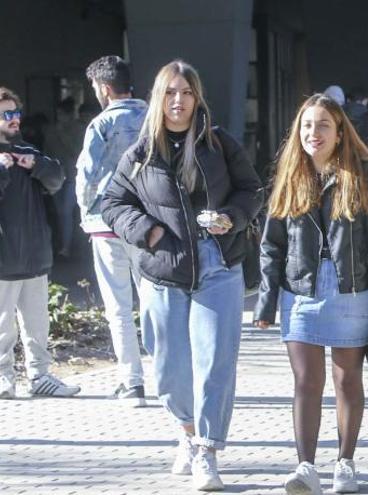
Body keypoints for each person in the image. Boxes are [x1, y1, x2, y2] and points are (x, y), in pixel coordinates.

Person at [101, 60, 263, 491]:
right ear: (159, 98)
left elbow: (252, 190)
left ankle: (207, 450)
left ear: (197, 97)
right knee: (169, 364)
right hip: (163, 268)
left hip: (217, 264)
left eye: (187, 92)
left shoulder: (219, 142)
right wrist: (146, 230)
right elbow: (112, 203)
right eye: (171, 92)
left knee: (214, 361)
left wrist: (232, 217)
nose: (179, 100)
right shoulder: (141, 152)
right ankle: (186, 433)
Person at [253, 94, 368, 495]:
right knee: (306, 381)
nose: (313, 133)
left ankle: (345, 462)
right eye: (307, 125)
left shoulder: (363, 175)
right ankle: (305, 467)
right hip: (300, 289)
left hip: (351, 288)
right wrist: (267, 301)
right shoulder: (289, 175)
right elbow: (271, 245)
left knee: (347, 380)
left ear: (340, 132)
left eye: (323, 125)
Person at [75, 55, 148, 406]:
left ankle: (132, 382)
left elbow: (86, 176)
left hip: (106, 224)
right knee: (153, 302)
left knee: (118, 306)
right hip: (150, 225)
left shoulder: (101, 124)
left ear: (104, 88)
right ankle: (167, 376)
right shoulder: (155, 119)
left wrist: (85, 211)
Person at [0, 87, 80, 400]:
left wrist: (34, 166)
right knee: (3, 324)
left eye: (15, 113)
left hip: (34, 254)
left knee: (37, 323)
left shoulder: (29, 151)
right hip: (4, 257)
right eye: (6, 114)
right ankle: (4, 377)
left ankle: (40, 375)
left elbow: (57, 177)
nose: (13, 119)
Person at [44, 97, 86, 258]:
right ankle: (65, 244)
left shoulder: (79, 129)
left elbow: (77, 151)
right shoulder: (51, 130)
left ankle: (67, 247)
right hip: (56, 175)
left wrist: (63, 135)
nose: (59, 117)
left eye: (62, 114)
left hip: (73, 176)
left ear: (70, 115)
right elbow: (46, 151)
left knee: (66, 212)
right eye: (58, 114)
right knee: (61, 213)